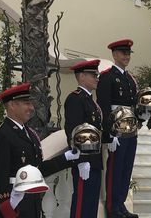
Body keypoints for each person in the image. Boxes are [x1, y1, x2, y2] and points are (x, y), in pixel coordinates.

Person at [0, 82, 80, 218]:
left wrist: (66, 158)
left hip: (32, 201)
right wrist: (6, 207)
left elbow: (38, 169)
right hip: (15, 201)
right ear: (12, 105)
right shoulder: (1, 133)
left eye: (30, 103)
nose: (31, 108)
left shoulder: (29, 134)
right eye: (26, 103)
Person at [96, 39, 139, 218]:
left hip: (131, 130)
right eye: (123, 53)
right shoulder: (107, 77)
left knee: (126, 169)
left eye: (128, 53)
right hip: (116, 131)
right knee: (115, 170)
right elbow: (103, 108)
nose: (126, 56)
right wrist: (109, 135)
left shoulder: (130, 79)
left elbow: (134, 106)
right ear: (114, 55)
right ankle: (113, 208)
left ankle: (121, 205)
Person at [64, 59, 104, 218]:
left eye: (97, 75)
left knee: (91, 204)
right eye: (93, 75)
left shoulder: (90, 101)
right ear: (81, 77)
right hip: (84, 161)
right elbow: (73, 132)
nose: (96, 78)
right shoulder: (75, 99)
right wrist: (80, 161)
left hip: (94, 160)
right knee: (82, 204)